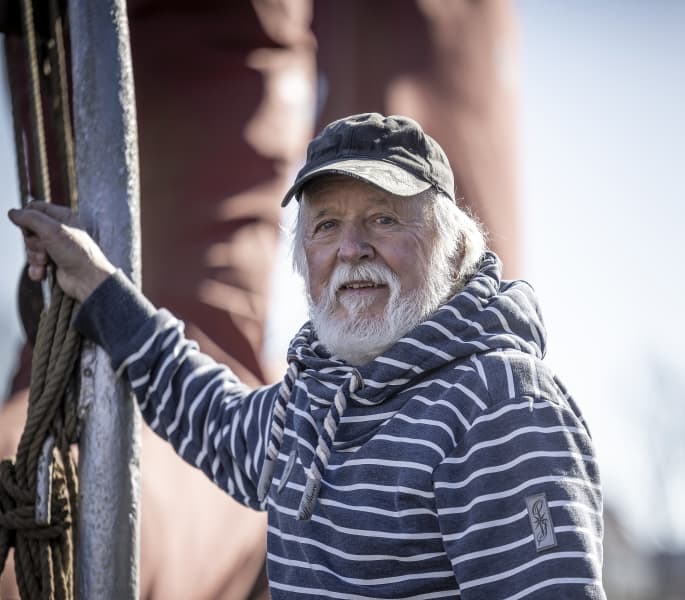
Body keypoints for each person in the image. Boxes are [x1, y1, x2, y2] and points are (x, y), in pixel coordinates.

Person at [9, 113, 604, 599]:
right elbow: (210, 416)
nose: (351, 247)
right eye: (325, 226)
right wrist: (98, 288)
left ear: (454, 251)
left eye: (383, 218)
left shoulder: (498, 407)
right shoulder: (312, 407)